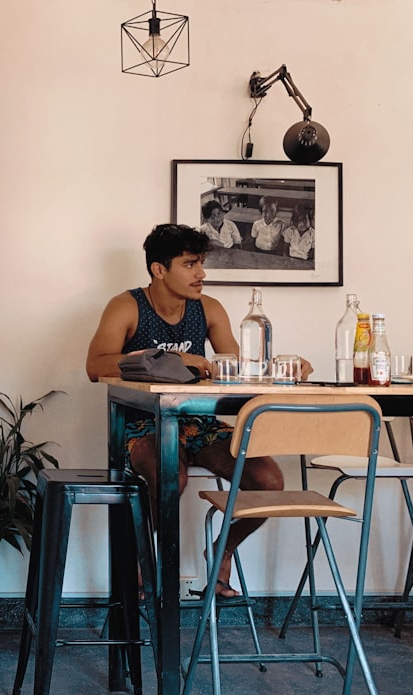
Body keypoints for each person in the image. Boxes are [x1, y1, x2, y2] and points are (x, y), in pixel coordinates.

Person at [85, 223, 311, 597]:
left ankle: (223, 551)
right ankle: (143, 561)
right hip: (143, 424)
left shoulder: (208, 309)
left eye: (201, 263)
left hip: (197, 422)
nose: (201, 274)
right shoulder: (127, 306)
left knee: (269, 481)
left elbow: (238, 369)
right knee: (172, 475)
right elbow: (95, 366)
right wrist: (173, 359)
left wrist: (287, 366)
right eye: (190, 264)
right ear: (159, 269)